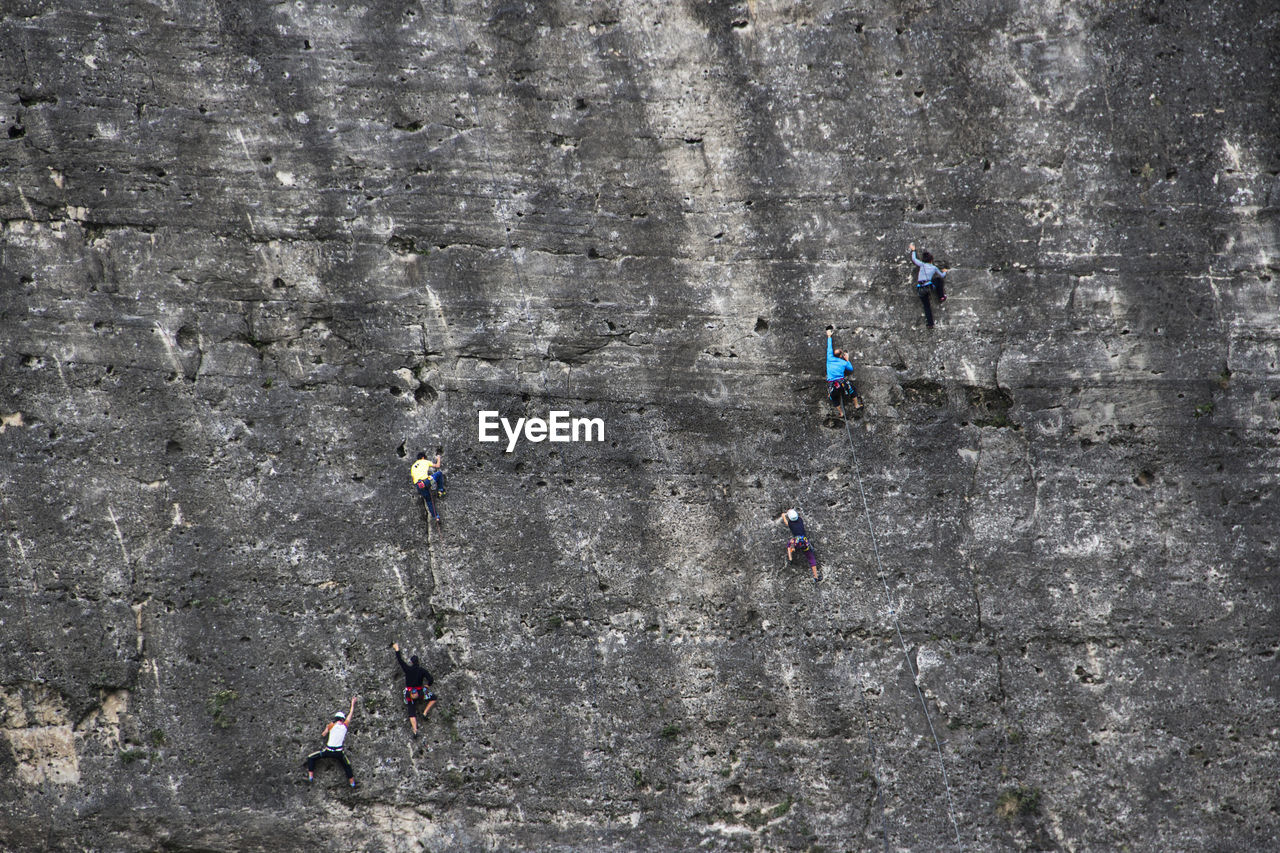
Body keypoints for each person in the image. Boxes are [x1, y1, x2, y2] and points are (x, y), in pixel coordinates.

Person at [306, 695, 358, 787]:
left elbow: (323, 734)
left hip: (328, 751)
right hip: (339, 753)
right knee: (347, 765)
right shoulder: (345, 726)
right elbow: (350, 715)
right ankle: (352, 783)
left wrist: (327, 728)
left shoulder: (331, 725)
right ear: (342, 719)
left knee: (311, 757)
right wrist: (352, 704)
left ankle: (310, 776)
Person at [392, 642, 437, 736]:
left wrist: (397, 649)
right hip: (420, 693)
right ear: (418, 662)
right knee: (434, 697)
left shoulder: (407, 669)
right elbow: (430, 679)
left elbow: (400, 661)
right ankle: (424, 712)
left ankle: (415, 729)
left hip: (409, 693)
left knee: (411, 710)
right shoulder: (422, 670)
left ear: (411, 662)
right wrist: (428, 685)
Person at [908, 243, 948, 328]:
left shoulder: (921, 264)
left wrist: (913, 250)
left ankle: (930, 324)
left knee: (926, 306)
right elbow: (942, 276)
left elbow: (914, 259)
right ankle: (941, 296)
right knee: (938, 280)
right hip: (928, 287)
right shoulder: (934, 268)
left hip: (920, 288)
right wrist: (944, 271)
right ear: (931, 260)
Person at [825, 326, 862, 419]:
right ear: (841, 355)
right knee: (852, 390)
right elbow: (851, 369)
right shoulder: (843, 362)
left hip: (832, 385)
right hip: (842, 384)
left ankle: (841, 413)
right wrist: (847, 360)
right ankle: (856, 405)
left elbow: (829, 347)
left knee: (834, 398)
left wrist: (829, 336)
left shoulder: (829, 358)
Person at [777, 508, 820, 582]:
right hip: (804, 541)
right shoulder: (800, 520)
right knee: (811, 558)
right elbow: (794, 517)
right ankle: (816, 577)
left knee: (789, 544)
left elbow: (786, 522)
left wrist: (784, 515)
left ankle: (790, 557)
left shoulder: (790, 523)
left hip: (796, 541)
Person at [410, 452, 440, 523]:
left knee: (429, 501)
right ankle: (440, 490)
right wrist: (438, 458)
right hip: (426, 481)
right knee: (439, 474)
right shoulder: (425, 461)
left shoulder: (413, 466)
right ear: (423, 457)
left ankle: (436, 517)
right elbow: (437, 466)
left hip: (419, 485)